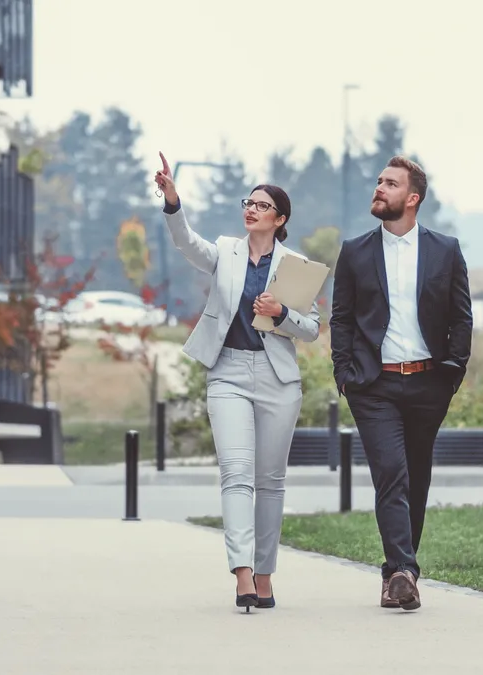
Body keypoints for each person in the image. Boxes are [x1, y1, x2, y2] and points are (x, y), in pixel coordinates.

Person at [153, 151, 321, 612]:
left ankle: (265, 577)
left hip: (277, 379)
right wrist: (173, 202)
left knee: (269, 482)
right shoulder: (225, 250)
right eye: (247, 202)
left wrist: (281, 313)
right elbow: (187, 243)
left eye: (261, 205)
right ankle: (242, 574)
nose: (250, 209)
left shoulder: (296, 266)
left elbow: (311, 329)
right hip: (226, 371)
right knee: (236, 476)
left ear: (279, 218)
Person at [329, 155, 473, 611]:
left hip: (429, 382)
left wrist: (453, 370)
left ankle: (395, 574)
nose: (379, 188)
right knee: (391, 474)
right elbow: (342, 319)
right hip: (374, 385)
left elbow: (461, 316)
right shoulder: (355, 251)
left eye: (389, 183)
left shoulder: (445, 249)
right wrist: (345, 374)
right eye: (378, 182)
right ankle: (406, 572)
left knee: (417, 477)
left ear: (412, 198)